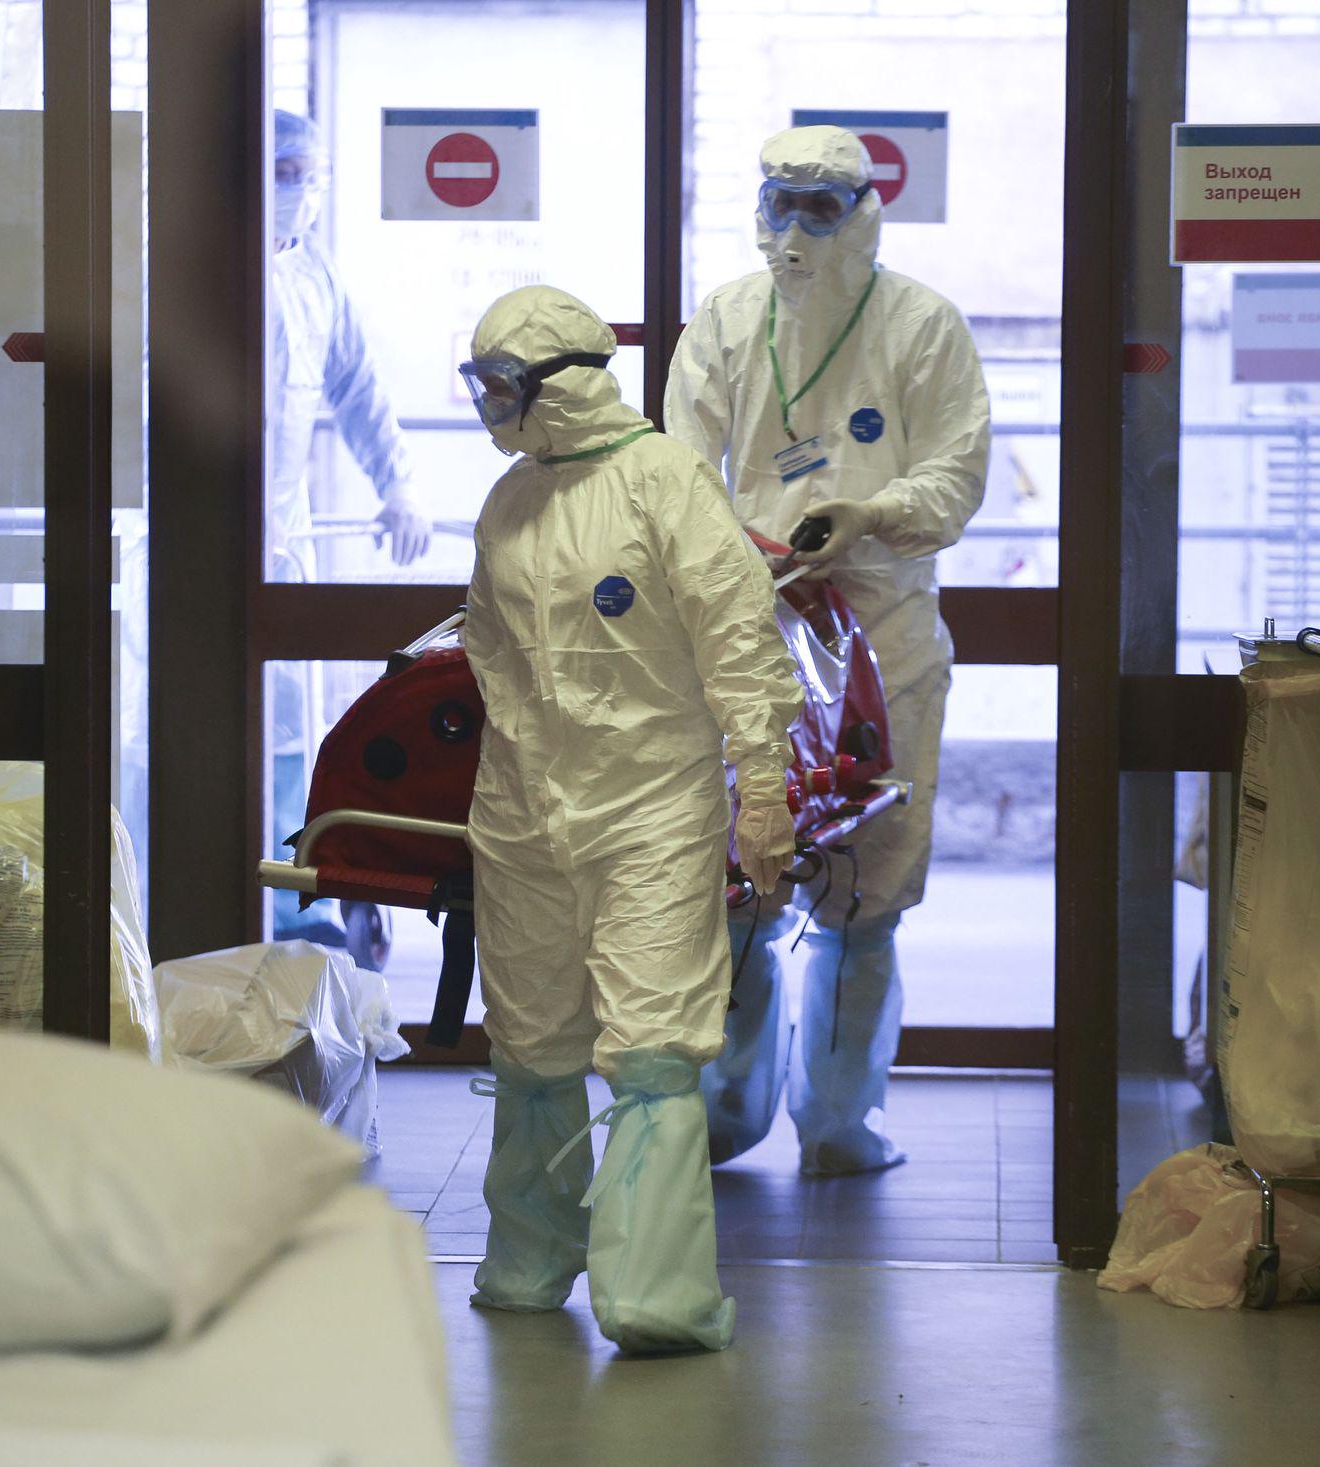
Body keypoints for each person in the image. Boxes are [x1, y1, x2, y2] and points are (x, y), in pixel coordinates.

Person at [459, 285, 798, 1353]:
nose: (488, 404)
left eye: (501, 384)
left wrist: (763, 787)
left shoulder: (665, 481)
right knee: (531, 1043)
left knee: (651, 1047)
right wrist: (512, 782)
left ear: (559, 384)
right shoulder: (509, 500)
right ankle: (527, 1259)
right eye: (478, 383)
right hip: (523, 815)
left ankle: (654, 1295)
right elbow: (488, 651)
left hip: (651, 810)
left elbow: (737, 637)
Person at [664, 125, 990, 1177]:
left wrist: (871, 514)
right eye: (781, 202)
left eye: (822, 206)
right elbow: (676, 475)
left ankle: (840, 1125)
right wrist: (740, 550)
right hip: (750, 632)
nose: (796, 227)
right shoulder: (726, 320)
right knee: (737, 880)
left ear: (864, 212)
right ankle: (726, 1111)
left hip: (883, 636)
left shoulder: (921, 326)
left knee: (867, 890)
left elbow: (957, 475)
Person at [268, 109, 430, 963]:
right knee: (164, 732)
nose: (303, 192)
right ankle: (170, 901)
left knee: (287, 731)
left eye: (313, 176)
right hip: (171, 540)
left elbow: (359, 388)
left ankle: (292, 908)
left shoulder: (313, 277)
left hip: (280, 539)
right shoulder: (190, 269)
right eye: (286, 173)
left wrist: (398, 484)